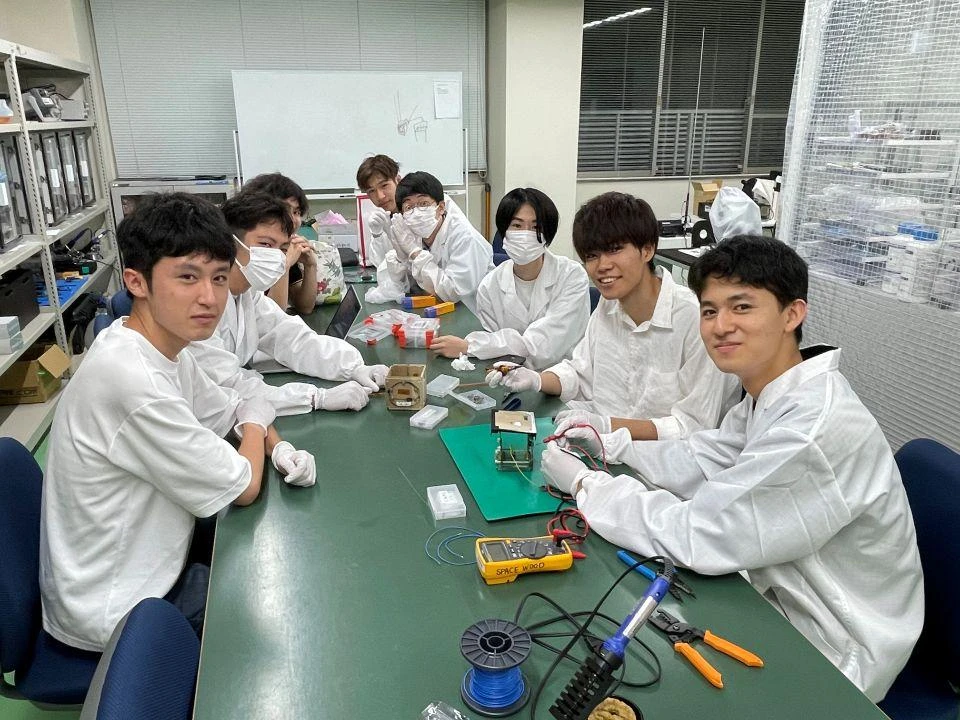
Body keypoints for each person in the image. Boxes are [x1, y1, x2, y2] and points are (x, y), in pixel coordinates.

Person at [540, 235, 924, 702]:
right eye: (709, 311)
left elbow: (697, 534)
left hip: (834, 645)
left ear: (792, 314)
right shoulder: (773, 392)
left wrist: (586, 483)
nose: (721, 326)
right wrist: (611, 444)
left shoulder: (811, 430)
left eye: (742, 307)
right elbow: (704, 457)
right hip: (778, 589)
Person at [39, 193, 318, 652]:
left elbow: (235, 403)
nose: (209, 297)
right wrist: (257, 429)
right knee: (286, 613)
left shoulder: (161, 346)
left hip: (150, 560)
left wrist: (275, 444)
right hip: (118, 612)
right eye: (187, 277)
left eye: (219, 278)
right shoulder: (131, 379)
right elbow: (244, 484)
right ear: (137, 281)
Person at [487, 191, 737, 441]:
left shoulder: (694, 320)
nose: (602, 265)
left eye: (615, 249)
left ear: (647, 249)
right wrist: (536, 380)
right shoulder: (609, 309)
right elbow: (580, 373)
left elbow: (692, 427)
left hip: (662, 467)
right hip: (601, 451)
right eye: (592, 255)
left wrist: (606, 426)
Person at [188, 190, 387, 416]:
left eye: (281, 248)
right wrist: (316, 397)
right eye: (265, 244)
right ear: (230, 243)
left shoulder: (247, 295)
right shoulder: (200, 305)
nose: (274, 256)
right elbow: (228, 388)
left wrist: (354, 367)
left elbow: (292, 338)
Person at [430, 188, 590, 369]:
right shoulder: (490, 287)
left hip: (565, 381)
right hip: (510, 376)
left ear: (548, 233)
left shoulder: (572, 276)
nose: (526, 234)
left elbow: (544, 346)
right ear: (504, 230)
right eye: (517, 225)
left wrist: (471, 346)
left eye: (536, 227)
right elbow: (497, 353)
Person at [379, 170, 494, 314]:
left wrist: (415, 253)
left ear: (440, 208)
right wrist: (402, 255)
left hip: (476, 316)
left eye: (423, 203)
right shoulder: (416, 235)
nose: (416, 212)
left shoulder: (465, 238)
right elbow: (413, 283)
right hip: (444, 310)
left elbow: (452, 292)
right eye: (409, 207)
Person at [242, 172, 319, 314]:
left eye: (297, 212)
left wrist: (310, 265)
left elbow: (305, 307)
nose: (293, 220)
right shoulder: (251, 250)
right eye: (285, 210)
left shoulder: (285, 246)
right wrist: (284, 264)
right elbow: (274, 314)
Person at [357, 154, 402, 268]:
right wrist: (377, 234)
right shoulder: (382, 217)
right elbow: (379, 264)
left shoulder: (420, 212)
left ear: (398, 180)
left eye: (384, 185)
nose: (380, 196)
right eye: (371, 191)